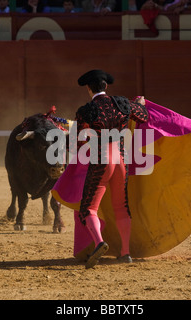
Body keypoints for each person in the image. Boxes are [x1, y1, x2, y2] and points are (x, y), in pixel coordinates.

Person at [67, 70, 148, 269]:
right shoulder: (122, 103)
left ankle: (99, 243)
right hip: (121, 159)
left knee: (88, 208)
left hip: (101, 160)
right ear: (106, 87)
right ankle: (125, 253)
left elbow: (78, 141)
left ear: (89, 89)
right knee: (121, 206)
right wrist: (137, 104)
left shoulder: (86, 110)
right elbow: (144, 117)